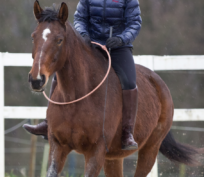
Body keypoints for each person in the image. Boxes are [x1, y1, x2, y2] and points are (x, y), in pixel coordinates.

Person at [23, 0, 142, 150]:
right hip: (89, 44)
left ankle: (127, 132)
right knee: (59, 71)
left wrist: (121, 39)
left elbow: (135, 23)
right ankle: (48, 122)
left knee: (129, 82)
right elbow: (80, 18)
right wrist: (84, 35)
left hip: (119, 47)